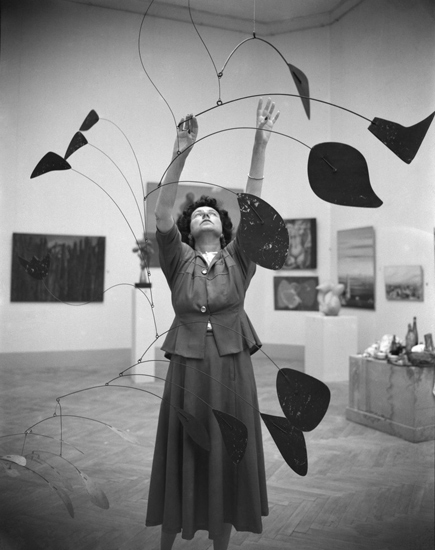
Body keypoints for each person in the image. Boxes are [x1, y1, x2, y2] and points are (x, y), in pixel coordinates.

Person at [145, 98, 280, 550]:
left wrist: (260, 145)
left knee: (227, 448)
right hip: (188, 367)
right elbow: (162, 213)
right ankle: (168, 540)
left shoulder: (239, 258)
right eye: (198, 213)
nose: (205, 214)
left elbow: (255, 210)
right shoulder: (177, 258)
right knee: (184, 444)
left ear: (224, 230)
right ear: (189, 230)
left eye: (214, 214)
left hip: (231, 367)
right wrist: (180, 151)